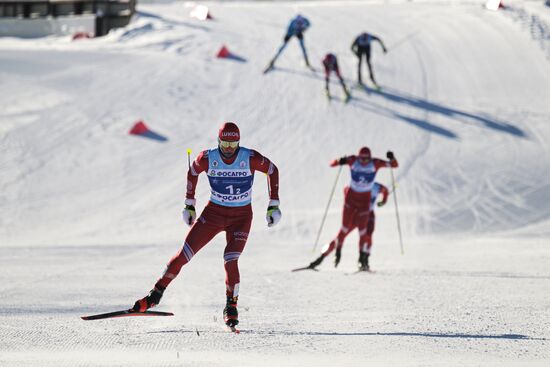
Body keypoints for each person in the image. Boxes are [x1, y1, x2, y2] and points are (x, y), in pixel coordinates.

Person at [131, 122, 281, 330]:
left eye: (233, 143)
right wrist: (189, 204)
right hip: (214, 214)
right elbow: (192, 172)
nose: (229, 148)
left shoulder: (249, 157)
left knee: (231, 259)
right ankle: (154, 295)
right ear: (218, 141)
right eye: (225, 143)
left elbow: (272, 170)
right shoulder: (208, 158)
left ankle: (231, 307)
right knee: (184, 254)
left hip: (241, 217)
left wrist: (273, 204)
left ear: (239, 142)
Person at [308, 148, 397, 271]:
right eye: (362, 160)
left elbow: (386, 191)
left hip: (367, 213)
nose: (364, 163)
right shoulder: (354, 182)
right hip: (354, 214)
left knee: (367, 235)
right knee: (341, 235)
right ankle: (320, 258)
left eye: (366, 160)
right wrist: (340, 160)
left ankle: (364, 260)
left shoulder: (377, 186)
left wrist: (383, 202)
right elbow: (345, 190)